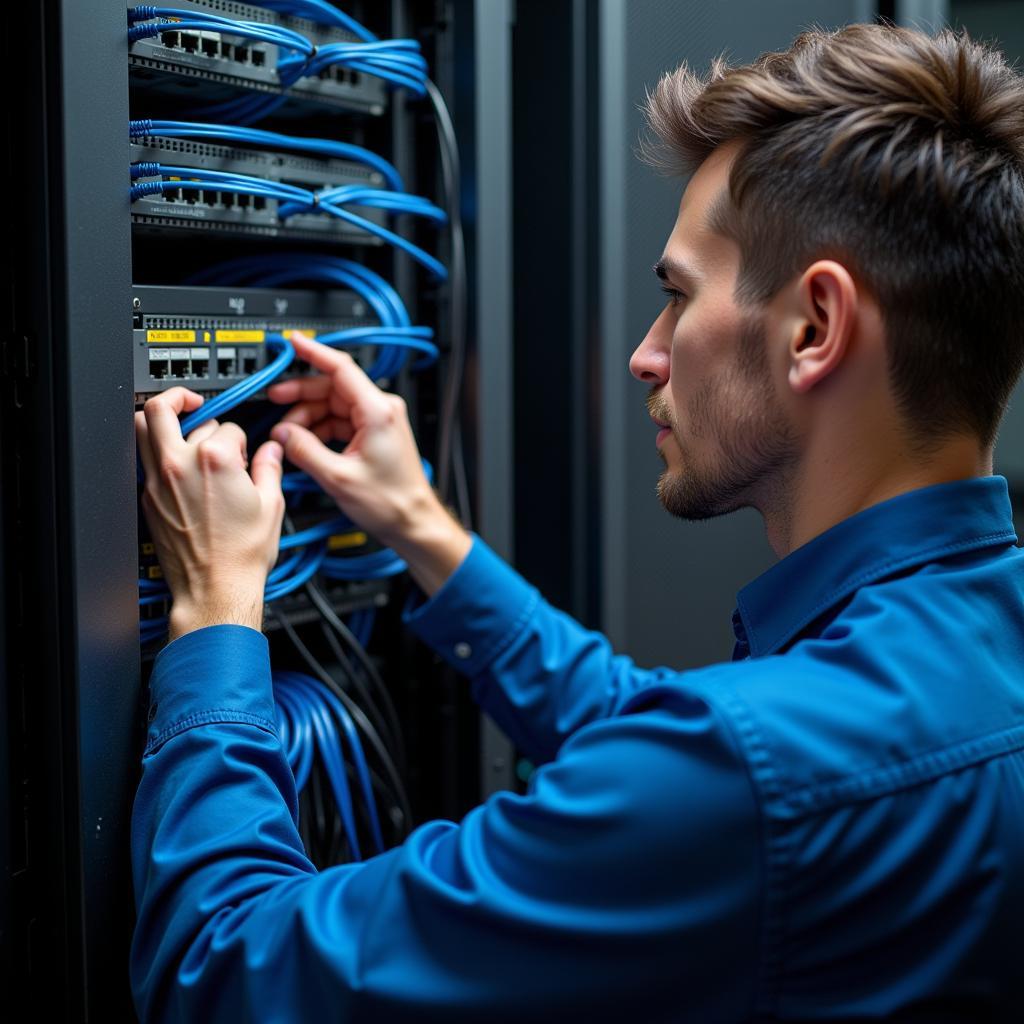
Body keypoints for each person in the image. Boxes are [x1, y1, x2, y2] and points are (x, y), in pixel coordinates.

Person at [130, 23, 1024, 1023]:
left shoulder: (744, 776)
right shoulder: (970, 650)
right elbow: (673, 750)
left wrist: (214, 621)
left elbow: (225, 969)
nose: (647, 355)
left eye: (676, 297)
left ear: (815, 328)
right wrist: (420, 524)